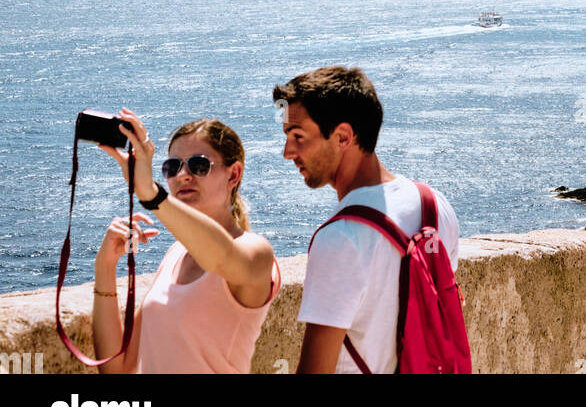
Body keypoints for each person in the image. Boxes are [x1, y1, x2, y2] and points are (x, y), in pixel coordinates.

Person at [274, 66, 460, 374]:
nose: (287, 152)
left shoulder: (340, 238)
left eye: (298, 136)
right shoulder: (435, 207)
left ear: (343, 136)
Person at [92, 108, 280, 373]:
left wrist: (150, 193)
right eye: (173, 167)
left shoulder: (256, 252)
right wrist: (105, 267)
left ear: (233, 174)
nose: (182, 176)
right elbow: (116, 369)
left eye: (198, 165)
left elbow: (221, 258)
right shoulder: (175, 255)